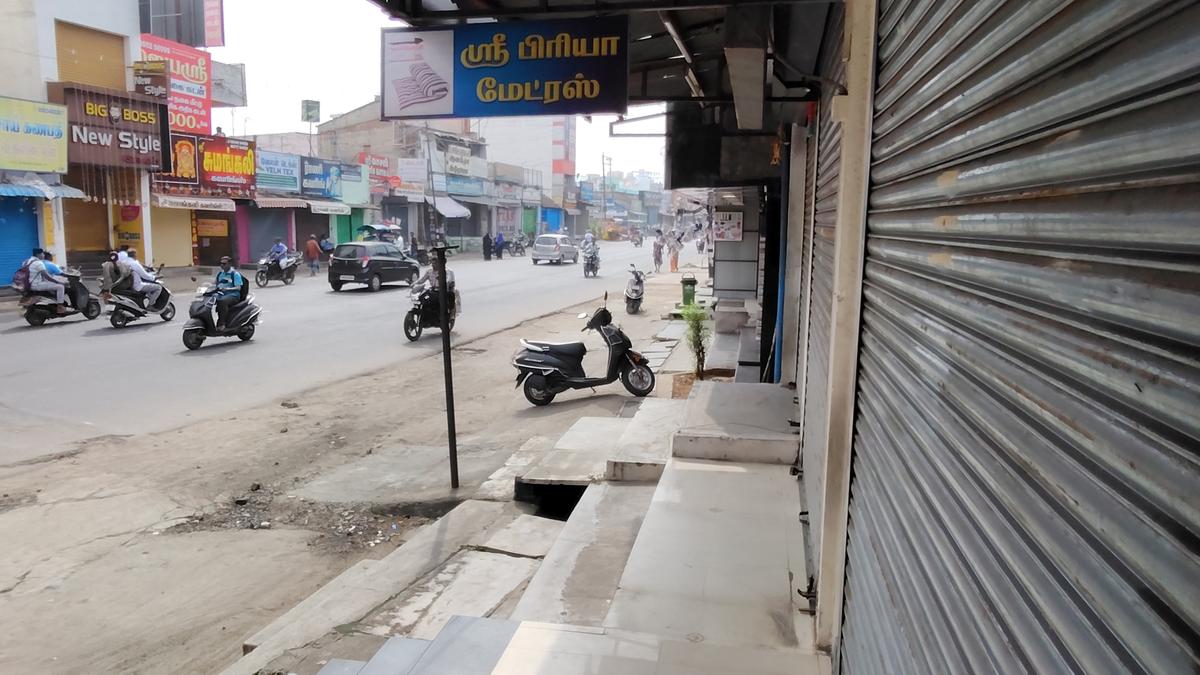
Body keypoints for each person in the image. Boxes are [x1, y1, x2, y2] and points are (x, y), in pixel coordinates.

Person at [213, 256, 244, 331]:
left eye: (224, 264)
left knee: (222, 302)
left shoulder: (235, 274)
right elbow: (215, 284)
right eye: (221, 263)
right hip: (221, 294)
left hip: (233, 295)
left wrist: (227, 289)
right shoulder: (220, 274)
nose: (222, 265)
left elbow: (238, 288)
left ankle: (222, 323)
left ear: (229, 264)